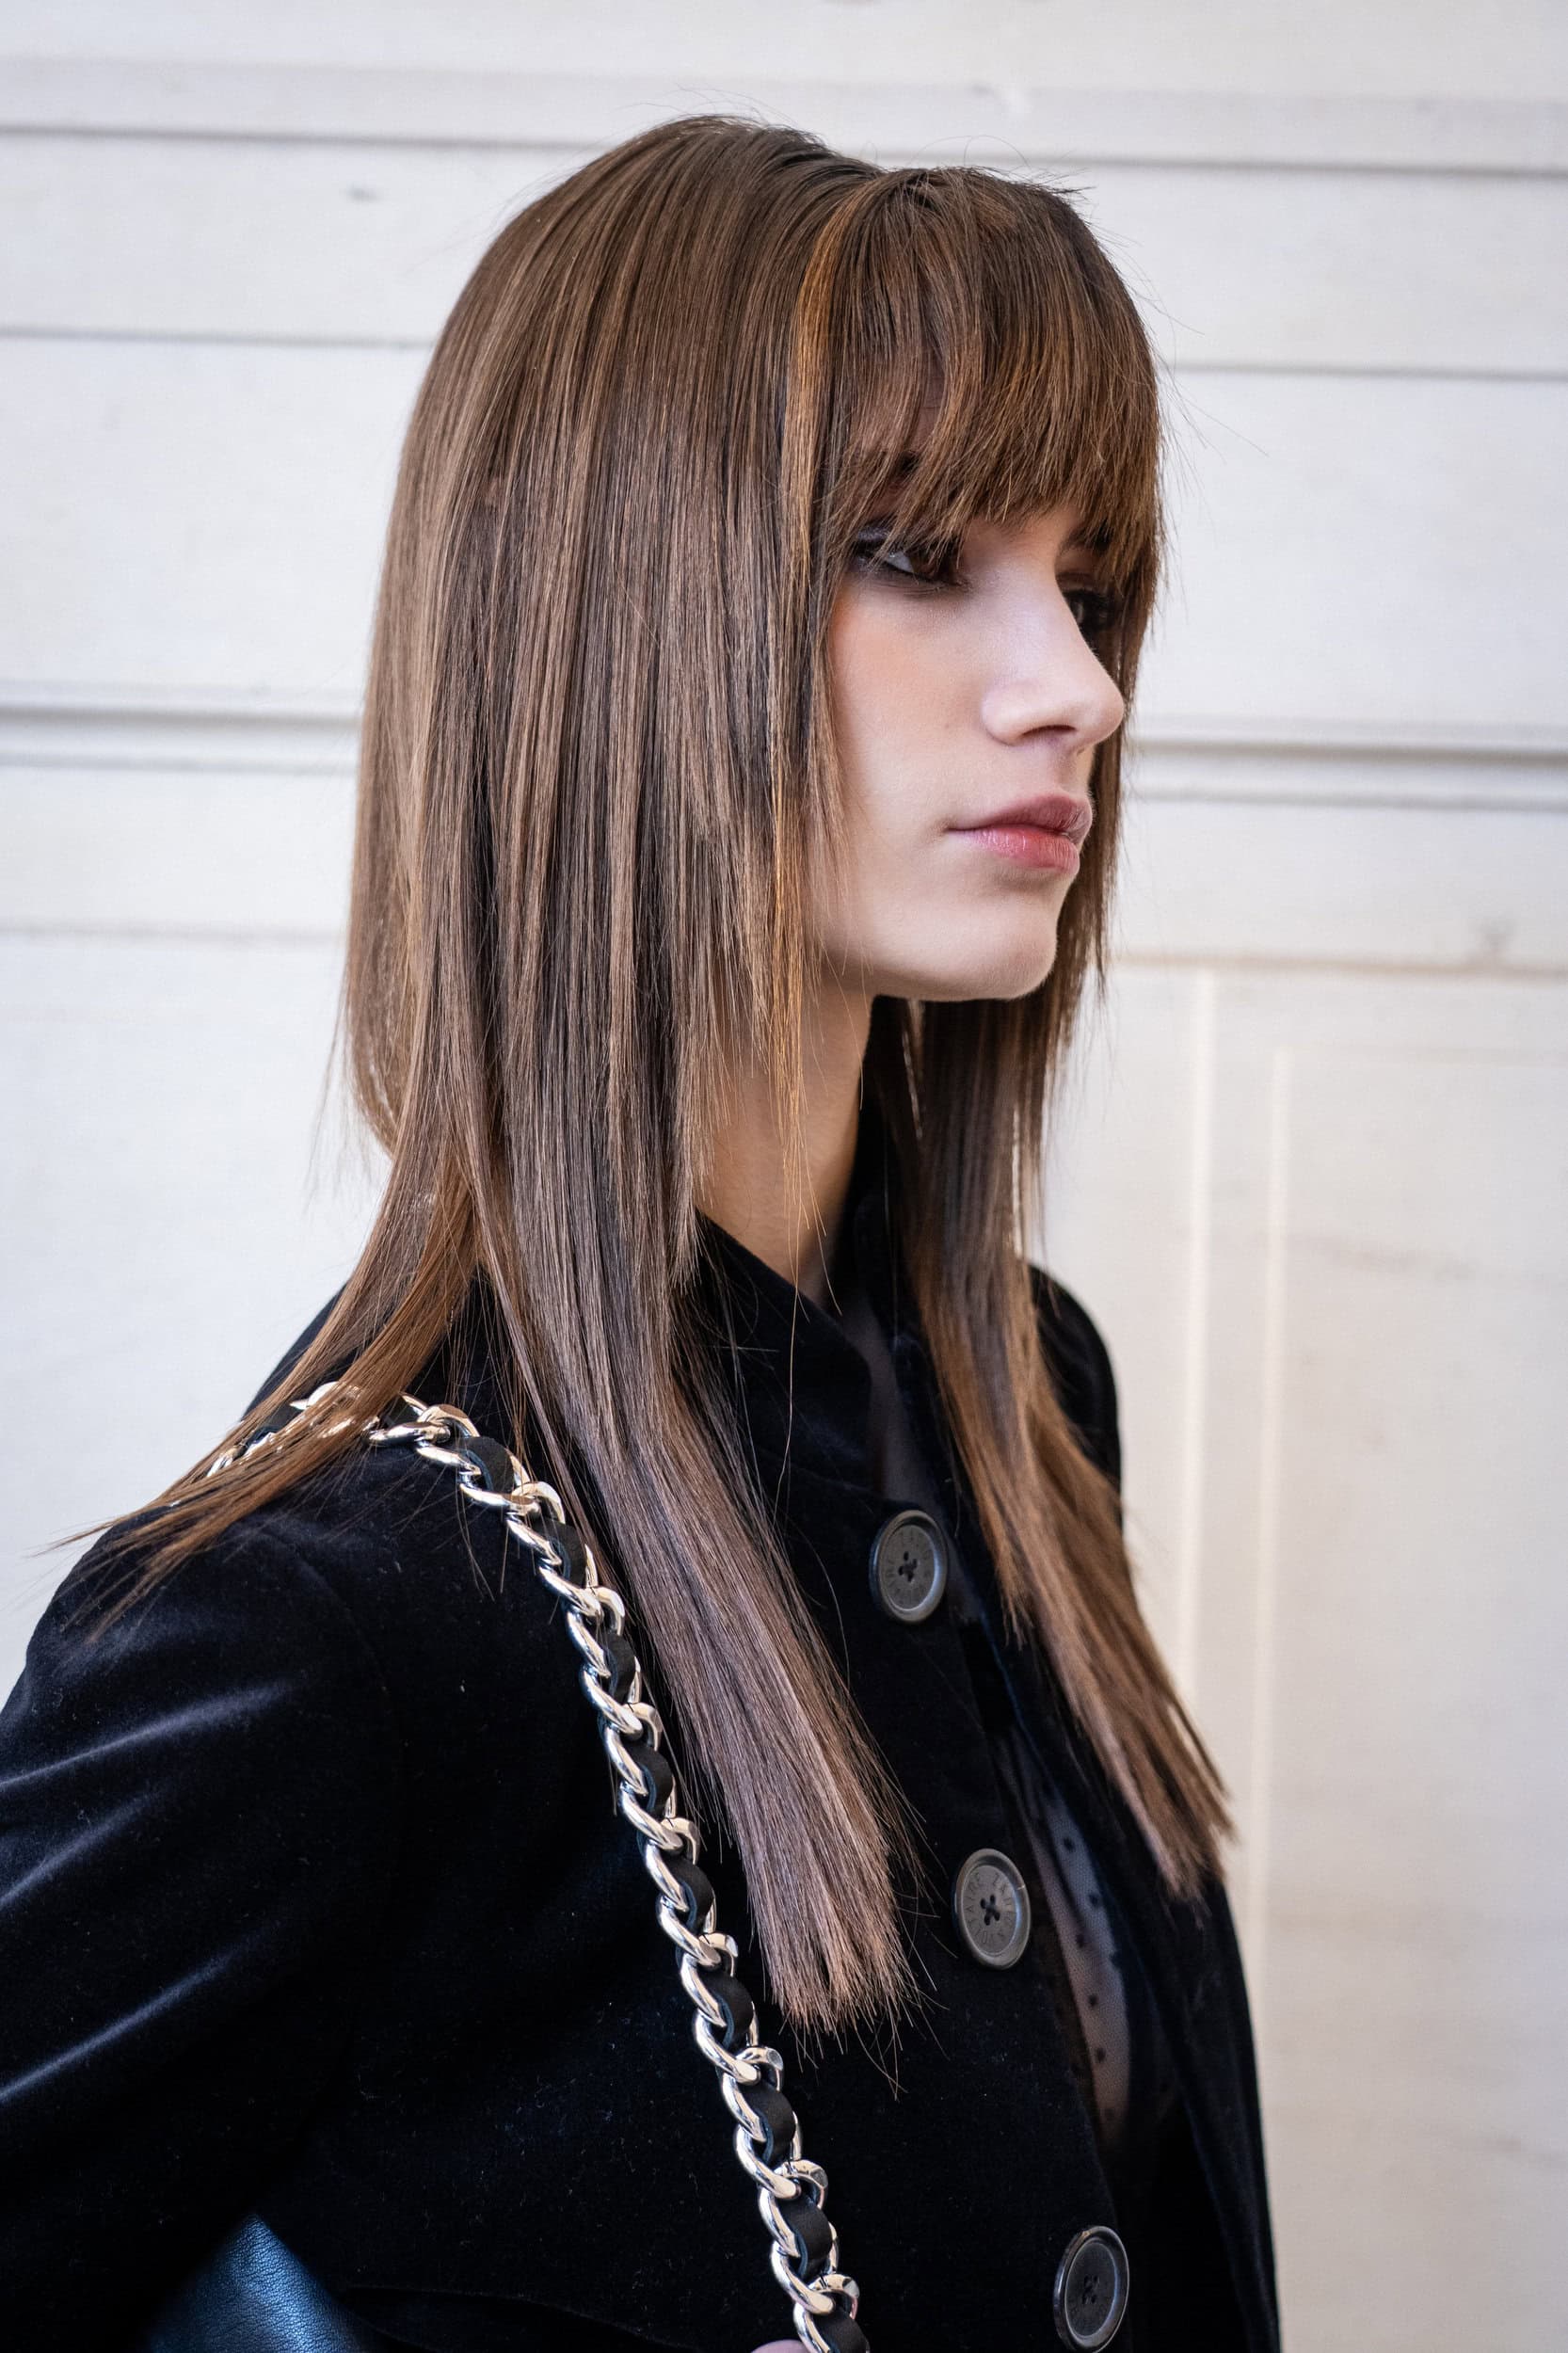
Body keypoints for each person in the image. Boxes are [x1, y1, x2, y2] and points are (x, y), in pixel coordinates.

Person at [0, 116, 1279, 2353]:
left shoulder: (1017, 1393)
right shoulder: (325, 1626)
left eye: (1086, 581)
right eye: (913, 553)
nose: (1072, 682)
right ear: (613, 616)